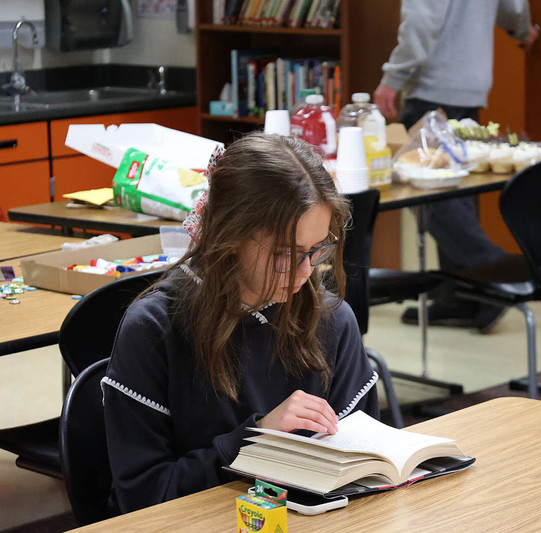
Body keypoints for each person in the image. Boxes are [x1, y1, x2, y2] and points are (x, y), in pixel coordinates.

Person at [102, 132, 380, 514]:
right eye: (287, 253)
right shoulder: (153, 330)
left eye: (317, 250)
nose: (305, 272)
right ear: (229, 234)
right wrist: (255, 440)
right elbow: (144, 495)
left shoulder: (332, 320)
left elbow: (364, 471)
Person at [373, 0, 539, 333]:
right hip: (470, 84)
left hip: (434, 84)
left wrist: (393, 77)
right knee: (456, 191)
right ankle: (462, 295)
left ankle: (491, 273)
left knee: (421, 188)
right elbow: (513, 6)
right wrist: (523, 30)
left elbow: (422, 22)